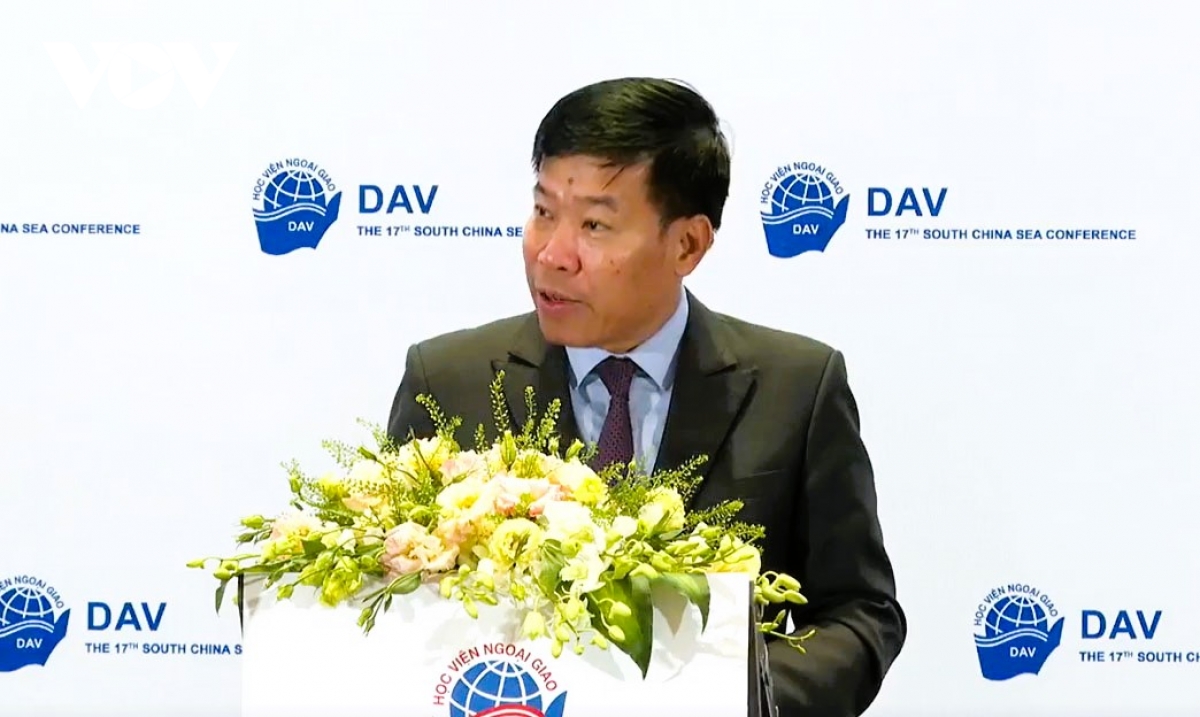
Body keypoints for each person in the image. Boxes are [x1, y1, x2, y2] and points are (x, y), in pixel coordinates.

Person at [387, 77, 906, 717]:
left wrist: (727, 701)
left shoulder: (797, 386)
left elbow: (859, 612)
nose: (553, 254)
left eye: (595, 225)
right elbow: (387, 603)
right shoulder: (448, 381)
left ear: (688, 243)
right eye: (544, 211)